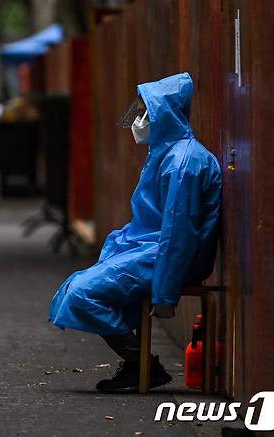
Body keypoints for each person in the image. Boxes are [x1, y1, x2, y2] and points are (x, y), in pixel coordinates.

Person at [49, 72, 222, 393]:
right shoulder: (165, 153)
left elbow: (178, 235)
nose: (140, 120)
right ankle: (137, 363)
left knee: (82, 293)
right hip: (150, 250)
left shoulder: (182, 162)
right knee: (77, 286)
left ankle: (140, 364)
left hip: (166, 256)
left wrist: (166, 294)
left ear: (164, 113)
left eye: (146, 112)